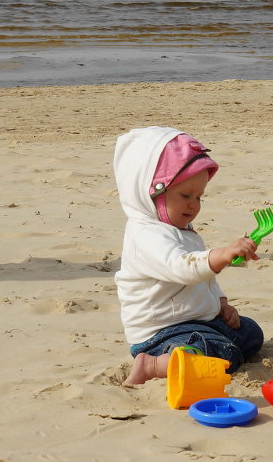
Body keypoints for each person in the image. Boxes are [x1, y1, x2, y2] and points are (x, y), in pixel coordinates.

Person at [112, 126, 264, 385]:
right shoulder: (146, 235)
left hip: (198, 321)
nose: (193, 205)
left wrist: (222, 303)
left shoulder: (183, 231)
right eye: (185, 195)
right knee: (223, 352)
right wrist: (224, 254)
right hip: (161, 333)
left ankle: (191, 352)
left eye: (199, 197)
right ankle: (154, 364)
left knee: (251, 334)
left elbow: (205, 280)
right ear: (151, 192)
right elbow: (183, 268)